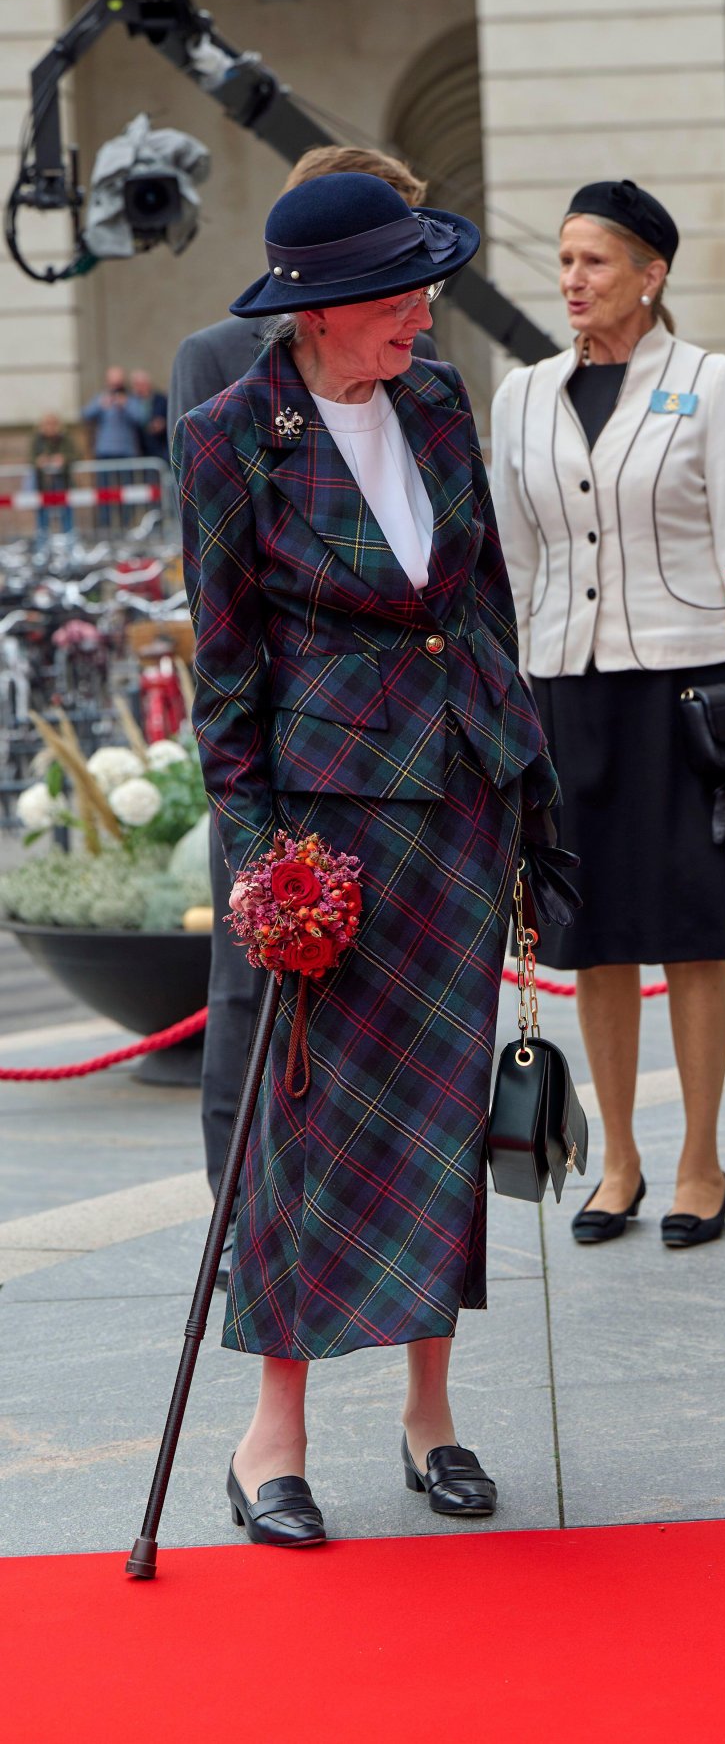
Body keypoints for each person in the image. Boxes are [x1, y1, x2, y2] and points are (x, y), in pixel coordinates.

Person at [176, 171, 561, 1544]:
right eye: (398, 295)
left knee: (441, 1111)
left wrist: (529, 794)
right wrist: (257, 859)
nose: (422, 310)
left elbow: (487, 610)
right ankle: (269, 1436)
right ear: (323, 311)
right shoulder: (230, 437)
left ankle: (430, 1413)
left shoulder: (441, 400)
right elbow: (223, 678)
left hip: (456, 803)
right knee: (304, 1130)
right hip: (327, 830)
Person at [491, 178, 725, 1251]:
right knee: (593, 938)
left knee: (692, 933)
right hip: (563, 692)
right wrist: (506, 697)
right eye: (565, 261)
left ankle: (700, 1162)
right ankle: (615, 1158)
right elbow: (514, 560)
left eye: (595, 262)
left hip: (685, 688)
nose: (572, 279)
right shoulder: (521, 393)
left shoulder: (709, 385)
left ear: (652, 275)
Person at [168, 146, 437, 1293]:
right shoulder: (220, 378)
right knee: (252, 996)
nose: (413, 306)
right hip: (287, 740)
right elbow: (214, 588)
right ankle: (241, 1220)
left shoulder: (422, 379)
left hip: (409, 766)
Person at [82, 367, 144, 529]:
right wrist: (101, 405)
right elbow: (85, 414)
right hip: (105, 452)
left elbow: (141, 418)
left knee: (127, 492)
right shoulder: (101, 398)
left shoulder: (131, 399)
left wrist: (126, 405)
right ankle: (106, 526)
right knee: (104, 492)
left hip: (126, 451)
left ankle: (126, 525)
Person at [30, 413, 76, 538]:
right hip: (43, 484)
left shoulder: (65, 438)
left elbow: (75, 454)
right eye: (47, 424)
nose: (50, 427)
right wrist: (38, 461)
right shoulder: (37, 439)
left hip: (63, 482)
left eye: (53, 424)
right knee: (43, 514)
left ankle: (68, 541)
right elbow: (30, 457)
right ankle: (42, 542)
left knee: (66, 512)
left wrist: (64, 459)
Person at [128, 370, 170, 462]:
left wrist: (161, 424)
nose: (137, 388)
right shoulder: (131, 401)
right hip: (141, 448)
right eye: (135, 385)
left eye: (139, 384)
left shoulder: (160, 399)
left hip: (160, 447)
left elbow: (165, 419)